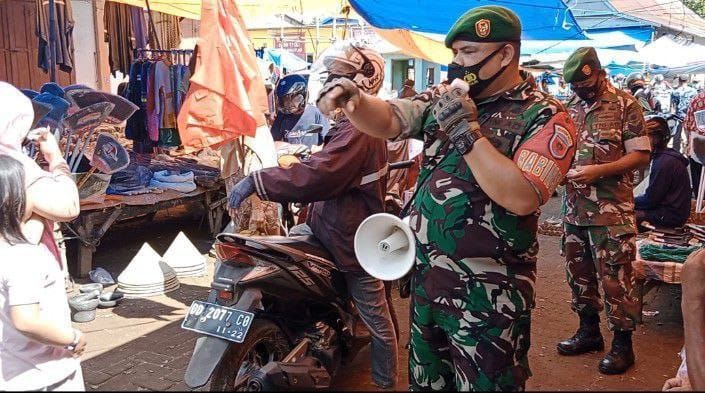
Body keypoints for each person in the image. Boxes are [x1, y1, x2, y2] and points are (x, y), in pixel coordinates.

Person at [317, 6, 577, 390]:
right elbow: (391, 119)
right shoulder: (444, 97)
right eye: (454, 53)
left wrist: (465, 131)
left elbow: (522, 196)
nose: (458, 63)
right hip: (429, 285)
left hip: (490, 300)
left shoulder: (544, 116)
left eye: (469, 52)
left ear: (505, 54)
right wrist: (355, 100)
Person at [228, 43, 398, 389]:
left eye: (338, 79)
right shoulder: (354, 122)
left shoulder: (361, 128)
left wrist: (258, 180)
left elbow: (320, 175)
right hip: (329, 229)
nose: (330, 85)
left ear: (362, 82)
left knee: (380, 325)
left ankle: (385, 382)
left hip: (349, 241)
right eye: (332, 78)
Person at [559, 47, 651, 375]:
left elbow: (640, 155)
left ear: (598, 73)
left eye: (584, 85)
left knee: (617, 279)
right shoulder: (569, 108)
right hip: (574, 211)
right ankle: (589, 332)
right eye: (574, 87)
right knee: (579, 275)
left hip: (612, 213)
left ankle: (623, 346)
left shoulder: (626, 104)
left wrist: (599, 171)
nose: (579, 92)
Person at [0, 155, 86, 391]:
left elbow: (27, 232)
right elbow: (26, 321)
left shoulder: (11, 248)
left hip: (11, 370)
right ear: (12, 200)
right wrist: (72, 338)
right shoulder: (24, 257)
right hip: (44, 374)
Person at [634, 116, 691, 230]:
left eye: (645, 137)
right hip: (669, 211)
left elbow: (651, 200)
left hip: (670, 216)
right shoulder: (665, 158)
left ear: (656, 139)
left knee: (625, 217)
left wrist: (627, 201)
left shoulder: (664, 162)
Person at [269, 74, 330, 144]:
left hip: (313, 154)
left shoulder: (316, 113)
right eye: (285, 100)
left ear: (303, 95)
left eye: (293, 98)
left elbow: (328, 141)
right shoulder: (282, 115)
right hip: (289, 154)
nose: (289, 103)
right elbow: (274, 141)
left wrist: (318, 149)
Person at [672, 75, 698, 153]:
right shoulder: (694, 91)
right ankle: (690, 152)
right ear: (687, 81)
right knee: (690, 135)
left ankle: (675, 153)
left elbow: (674, 105)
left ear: (679, 81)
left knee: (677, 135)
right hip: (690, 116)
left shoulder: (675, 92)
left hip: (679, 116)